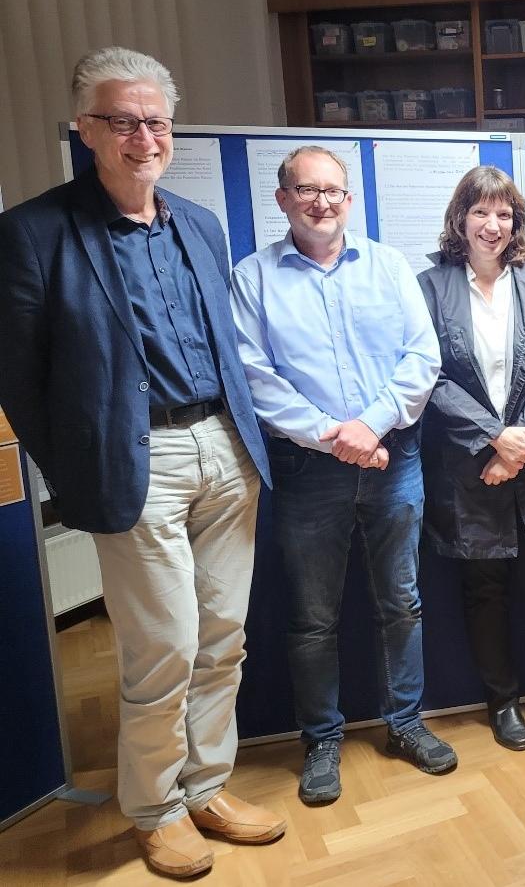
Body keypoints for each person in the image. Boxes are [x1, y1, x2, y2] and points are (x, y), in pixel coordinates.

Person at [0, 47, 283, 878]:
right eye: (122, 121)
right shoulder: (35, 232)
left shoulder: (199, 223)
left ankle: (207, 787)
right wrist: (76, 469)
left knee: (223, 638)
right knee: (165, 645)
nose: (144, 138)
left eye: (156, 121)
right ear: (85, 129)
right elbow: (19, 377)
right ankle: (155, 810)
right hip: (136, 459)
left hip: (225, 445)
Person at [230, 146, 452, 806]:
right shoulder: (253, 278)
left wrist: (371, 426)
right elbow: (254, 377)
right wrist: (336, 436)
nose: (321, 202)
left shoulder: (388, 266)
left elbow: (422, 357)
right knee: (312, 617)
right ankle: (322, 739)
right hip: (306, 470)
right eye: (307, 190)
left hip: (394, 461)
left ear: (350, 200)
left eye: (333, 191)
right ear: (283, 199)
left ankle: (405, 723)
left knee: (402, 603)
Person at [417, 166, 525, 751]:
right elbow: (430, 375)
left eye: (504, 214)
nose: (492, 225)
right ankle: (502, 702)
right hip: (469, 463)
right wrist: (494, 437)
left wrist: (515, 447)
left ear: (516, 222)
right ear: (460, 218)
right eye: (480, 212)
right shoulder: (430, 286)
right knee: (484, 589)